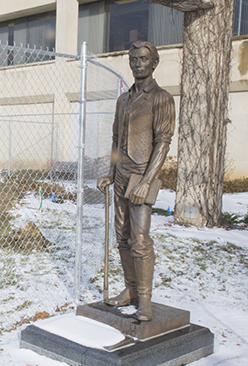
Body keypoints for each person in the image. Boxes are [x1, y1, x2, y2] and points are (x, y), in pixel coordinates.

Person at [97, 41, 175, 321]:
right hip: (121, 176)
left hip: (143, 174)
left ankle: (145, 300)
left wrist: (147, 180)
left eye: (143, 59)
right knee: (122, 237)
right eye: (133, 59)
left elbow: (163, 143)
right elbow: (117, 140)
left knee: (140, 240)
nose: (137, 63)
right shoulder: (123, 100)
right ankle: (130, 289)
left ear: (153, 63)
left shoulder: (161, 98)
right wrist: (111, 171)